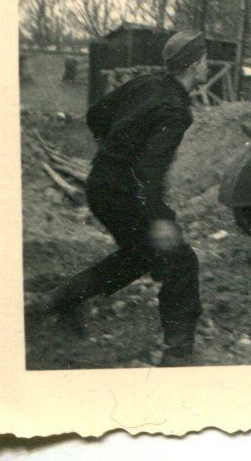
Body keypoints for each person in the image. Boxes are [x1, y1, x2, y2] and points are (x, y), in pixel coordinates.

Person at [41, 30, 207, 366]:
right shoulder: (176, 110)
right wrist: (159, 218)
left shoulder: (145, 84)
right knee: (181, 261)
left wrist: (115, 149)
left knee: (139, 256)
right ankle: (178, 354)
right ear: (195, 65)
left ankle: (60, 300)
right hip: (124, 192)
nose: (208, 65)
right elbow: (150, 169)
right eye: (205, 60)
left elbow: (96, 116)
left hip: (99, 185)